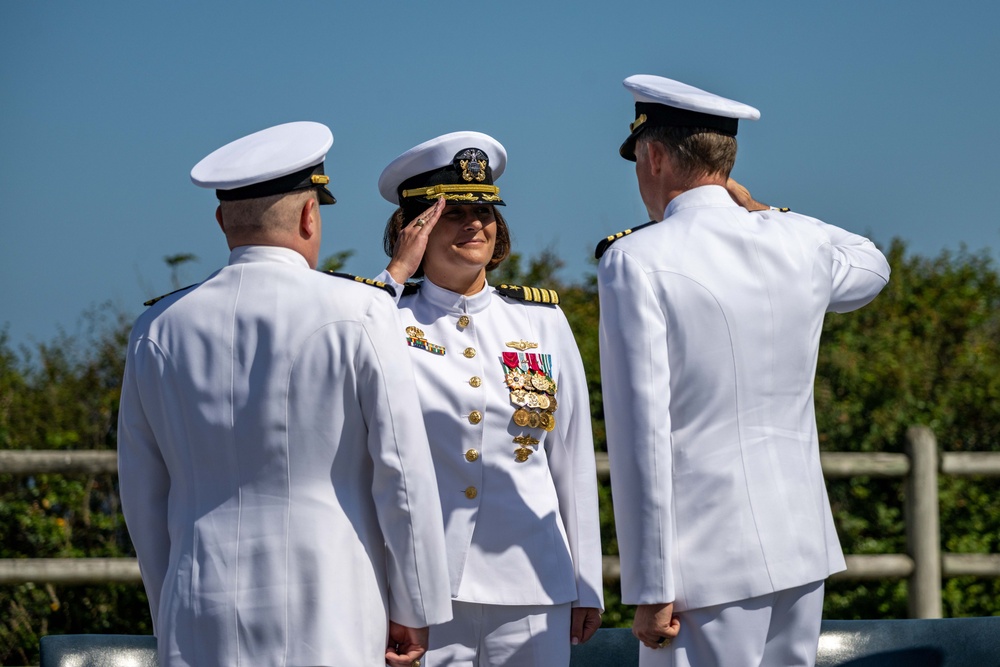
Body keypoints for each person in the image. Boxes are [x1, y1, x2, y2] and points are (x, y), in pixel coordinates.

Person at [117, 121, 452, 667]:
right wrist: (416, 607)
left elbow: (142, 492)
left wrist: (169, 605)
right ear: (308, 215)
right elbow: (403, 474)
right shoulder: (360, 311)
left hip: (197, 601)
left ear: (223, 219)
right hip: (331, 603)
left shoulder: (156, 328)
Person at [596, 75, 891, 667]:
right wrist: (760, 209)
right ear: (724, 160)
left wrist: (651, 587)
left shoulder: (636, 259)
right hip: (800, 546)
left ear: (653, 155)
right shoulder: (800, 243)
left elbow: (643, 436)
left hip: (704, 567)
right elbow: (871, 264)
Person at [373, 130, 604, 666]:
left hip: (534, 581)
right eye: (452, 213)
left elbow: (569, 455)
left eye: (486, 212)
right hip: (423, 589)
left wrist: (585, 580)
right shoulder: (383, 316)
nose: (475, 223)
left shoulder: (540, 320)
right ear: (414, 227)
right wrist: (392, 278)